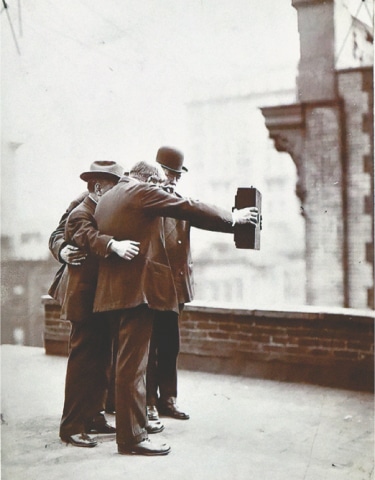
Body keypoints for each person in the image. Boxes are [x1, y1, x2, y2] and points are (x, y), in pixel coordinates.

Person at [93, 160, 259, 456]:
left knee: (126, 363)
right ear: (148, 180)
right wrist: (233, 218)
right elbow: (186, 205)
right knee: (134, 367)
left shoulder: (107, 198)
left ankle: (133, 429)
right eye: (158, 185)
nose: (161, 190)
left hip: (115, 291)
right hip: (138, 292)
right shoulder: (141, 191)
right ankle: (132, 439)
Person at [56, 161, 140, 448]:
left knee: (102, 361)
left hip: (101, 298)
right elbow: (87, 236)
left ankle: (93, 417)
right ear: (97, 187)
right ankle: (71, 426)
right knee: (82, 364)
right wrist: (113, 245)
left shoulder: (103, 209)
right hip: (84, 298)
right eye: (113, 188)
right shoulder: (81, 213)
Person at [146, 147, 192, 422]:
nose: (173, 179)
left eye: (177, 174)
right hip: (151, 287)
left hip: (174, 288)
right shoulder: (146, 200)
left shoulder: (182, 203)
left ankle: (168, 399)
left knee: (170, 345)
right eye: (168, 172)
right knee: (149, 347)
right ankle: (150, 401)